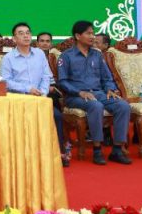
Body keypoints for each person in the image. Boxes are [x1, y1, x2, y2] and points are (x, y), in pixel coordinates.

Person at [56, 20, 132, 165]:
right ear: (78, 36)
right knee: (95, 106)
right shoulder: (66, 56)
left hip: (99, 93)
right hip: (75, 97)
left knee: (123, 106)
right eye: (89, 33)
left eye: (93, 33)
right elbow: (62, 82)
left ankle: (117, 150)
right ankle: (97, 150)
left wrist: (110, 89)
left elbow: (107, 77)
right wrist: (79, 92)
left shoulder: (97, 55)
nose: (93, 37)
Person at [1, 22, 67, 166]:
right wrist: (27, 89)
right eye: (21, 33)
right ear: (14, 38)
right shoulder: (8, 58)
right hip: (19, 99)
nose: (25, 36)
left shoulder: (39, 54)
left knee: (56, 115)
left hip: (39, 98)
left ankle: (59, 153)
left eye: (28, 33)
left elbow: (46, 76)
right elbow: (6, 81)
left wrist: (42, 93)